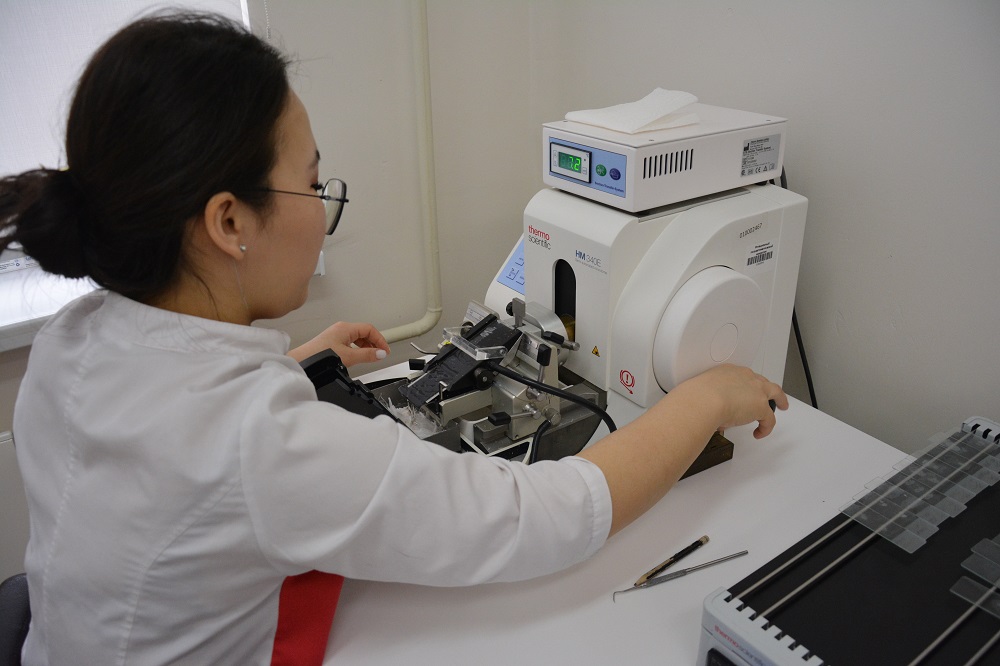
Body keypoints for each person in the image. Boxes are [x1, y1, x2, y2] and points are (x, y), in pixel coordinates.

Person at [0, 11, 787, 666]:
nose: (320, 206)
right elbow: (543, 515)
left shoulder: (72, 341)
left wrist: (300, 365)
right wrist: (703, 399)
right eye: (310, 183)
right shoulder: (258, 444)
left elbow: (176, 427)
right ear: (229, 221)